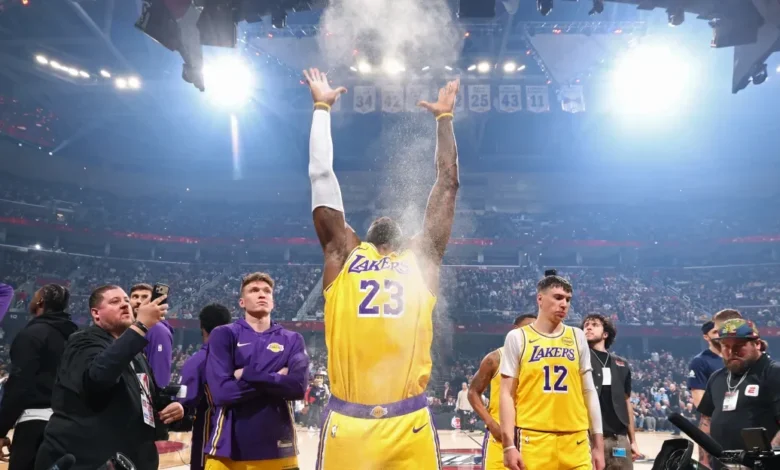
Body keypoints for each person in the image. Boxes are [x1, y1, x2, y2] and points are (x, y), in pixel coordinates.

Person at [303, 67, 460, 470]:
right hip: (349, 420)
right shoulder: (343, 254)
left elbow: (447, 185)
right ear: (358, 235)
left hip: (409, 421)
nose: (384, 217)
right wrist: (321, 108)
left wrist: (445, 120)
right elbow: (321, 176)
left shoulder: (419, 259)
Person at [35, 285, 184, 470]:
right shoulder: (82, 341)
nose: (125, 305)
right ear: (96, 314)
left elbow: (146, 398)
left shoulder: (136, 353)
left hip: (131, 459)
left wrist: (172, 410)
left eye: (126, 301)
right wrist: (140, 326)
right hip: (87, 460)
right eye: (115, 301)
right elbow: (99, 378)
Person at [499, 271, 605, 470]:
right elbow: (506, 394)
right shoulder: (518, 337)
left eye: (568, 299)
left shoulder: (577, 336)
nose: (564, 304)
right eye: (558, 297)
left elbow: (589, 391)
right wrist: (508, 445)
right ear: (540, 299)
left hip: (576, 439)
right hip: (533, 438)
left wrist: (598, 444)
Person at [203, 272, 309, 470]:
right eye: (254, 290)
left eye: (267, 291)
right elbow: (223, 393)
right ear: (242, 302)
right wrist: (277, 378)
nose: (262, 294)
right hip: (228, 448)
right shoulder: (224, 334)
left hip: (279, 447)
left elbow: (297, 388)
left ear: (273, 302)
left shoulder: (293, 339)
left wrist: (247, 374)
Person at [0, 285, 77, 470]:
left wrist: (2, 429)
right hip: (68, 423)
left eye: (35, 296)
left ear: (40, 301)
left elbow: (19, 386)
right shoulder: (75, 336)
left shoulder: (32, 334)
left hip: (34, 422)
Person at [697, 319, 780, 469]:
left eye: (739, 346)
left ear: (757, 344)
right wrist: (704, 461)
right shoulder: (717, 378)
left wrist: (767, 459)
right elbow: (706, 420)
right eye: (725, 346)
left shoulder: (773, 373)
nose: (731, 352)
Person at [468, 314, 536, 470]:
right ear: (515, 331)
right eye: (527, 328)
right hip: (501, 438)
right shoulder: (495, 358)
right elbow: (473, 392)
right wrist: (491, 423)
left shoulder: (543, 360)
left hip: (533, 436)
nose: (531, 333)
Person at [582, 314, 640, 470]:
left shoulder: (621, 364)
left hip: (618, 438)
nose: (588, 327)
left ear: (605, 334)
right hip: (588, 436)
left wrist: (633, 441)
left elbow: (626, 402)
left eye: (594, 325)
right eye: (586, 325)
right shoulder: (580, 359)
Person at [178, 303, 232, 470]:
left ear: (202, 327)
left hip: (209, 435)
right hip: (240, 436)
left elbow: (185, 400)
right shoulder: (241, 357)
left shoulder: (198, 361)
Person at [130, 283, 174, 387]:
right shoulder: (134, 327)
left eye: (144, 297)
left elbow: (160, 377)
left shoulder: (158, 330)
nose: (138, 301)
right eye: (135, 297)